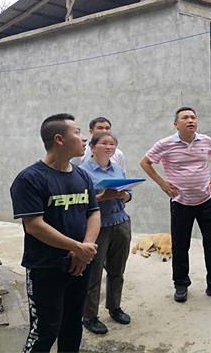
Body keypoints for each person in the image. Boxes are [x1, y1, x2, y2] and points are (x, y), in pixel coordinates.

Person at [10, 113, 101, 352]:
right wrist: (77, 248)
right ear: (59, 139)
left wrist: (85, 250)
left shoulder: (82, 175)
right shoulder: (29, 178)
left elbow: (93, 212)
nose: (84, 139)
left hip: (80, 264)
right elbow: (35, 226)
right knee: (45, 330)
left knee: (73, 326)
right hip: (46, 268)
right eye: (78, 132)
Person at [140, 107, 211, 303]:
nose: (190, 120)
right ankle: (181, 285)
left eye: (193, 117)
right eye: (185, 118)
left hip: (206, 201)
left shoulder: (206, 140)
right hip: (181, 203)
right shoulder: (165, 144)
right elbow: (145, 162)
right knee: (181, 246)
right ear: (176, 124)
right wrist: (162, 183)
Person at [80, 132, 132, 334]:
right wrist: (102, 196)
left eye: (112, 144)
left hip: (120, 221)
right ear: (92, 147)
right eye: (104, 143)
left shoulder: (117, 167)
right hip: (97, 227)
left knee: (117, 269)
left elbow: (129, 195)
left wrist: (124, 194)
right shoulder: (82, 172)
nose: (108, 147)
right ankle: (89, 316)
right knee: (93, 273)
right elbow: (81, 202)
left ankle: (115, 307)